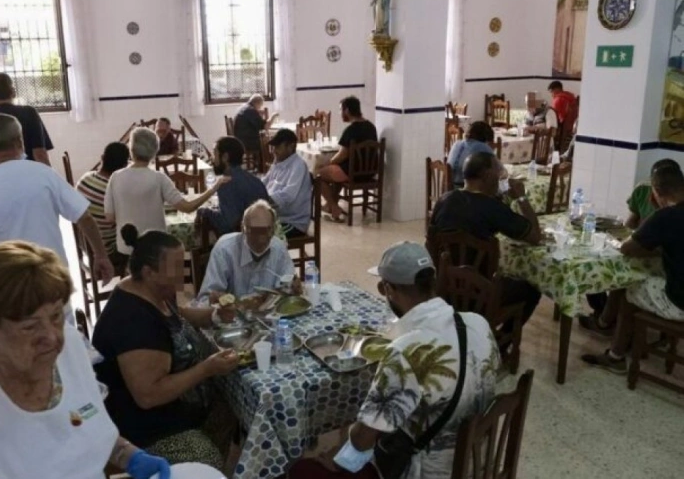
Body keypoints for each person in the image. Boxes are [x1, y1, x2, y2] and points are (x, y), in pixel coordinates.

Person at [0, 241, 171, 479]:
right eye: (29, 326)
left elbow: (83, 423)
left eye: (56, 316)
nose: (52, 337)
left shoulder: (72, 346)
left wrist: (127, 455)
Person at [300, 242, 498, 479]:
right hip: (479, 460)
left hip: (431, 472)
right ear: (432, 281)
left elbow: (361, 442)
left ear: (387, 289)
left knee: (302, 470)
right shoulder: (479, 323)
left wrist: (343, 446)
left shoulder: (407, 352)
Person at [92, 225, 240, 468]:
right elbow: (149, 396)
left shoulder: (149, 289)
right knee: (205, 456)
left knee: (231, 406)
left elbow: (179, 315)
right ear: (149, 272)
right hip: (146, 427)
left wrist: (214, 315)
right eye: (176, 267)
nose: (183, 274)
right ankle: (198, 468)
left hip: (178, 406)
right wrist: (206, 369)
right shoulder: (132, 322)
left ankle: (208, 470)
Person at [0, 113, 114, 291]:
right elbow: (85, 217)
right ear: (20, 141)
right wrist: (101, 256)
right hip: (51, 277)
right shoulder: (45, 175)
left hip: (5, 282)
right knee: (55, 309)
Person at [428, 152, 542, 357]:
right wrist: (521, 197)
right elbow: (535, 236)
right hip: (480, 294)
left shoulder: (444, 200)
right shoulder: (493, 208)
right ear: (488, 175)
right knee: (531, 289)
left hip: (444, 287)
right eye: (498, 173)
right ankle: (498, 345)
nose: (500, 178)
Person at [582, 165, 684, 373]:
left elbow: (627, 248)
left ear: (657, 192)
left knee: (630, 287)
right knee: (643, 279)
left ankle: (616, 356)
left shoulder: (667, 216)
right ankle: (606, 324)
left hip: (680, 302)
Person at [105, 128, 228, 256]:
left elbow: (110, 217)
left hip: (126, 247)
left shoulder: (115, 177)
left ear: (131, 149)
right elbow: (187, 207)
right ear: (154, 151)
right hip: (155, 248)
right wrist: (213, 188)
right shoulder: (158, 178)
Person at [197, 201, 302, 304]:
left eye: (266, 230)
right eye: (255, 231)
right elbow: (204, 300)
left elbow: (288, 287)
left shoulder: (278, 248)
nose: (261, 238)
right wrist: (215, 301)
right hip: (232, 313)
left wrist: (293, 289)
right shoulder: (224, 249)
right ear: (243, 229)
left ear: (273, 230)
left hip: (269, 313)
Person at [318, 96, 378, 222]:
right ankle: (329, 205)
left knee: (318, 175)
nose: (340, 113)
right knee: (335, 173)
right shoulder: (371, 127)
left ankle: (334, 207)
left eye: (341, 110)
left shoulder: (351, 130)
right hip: (370, 173)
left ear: (347, 110)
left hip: (352, 173)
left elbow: (342, 155)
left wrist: (329, 163)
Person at [77, 142, 132, 276]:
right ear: (124, 167)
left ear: (102, 158)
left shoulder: (84, 179)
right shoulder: (115, 191)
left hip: (84, 243)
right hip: (107, 251)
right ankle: (135, 281)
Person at [198, 137, 270, 236]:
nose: (212, 159)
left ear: (225, 157)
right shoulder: (256, 180)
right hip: (264, 237)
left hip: (244, 240)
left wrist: (205, 212)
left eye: (215, 154)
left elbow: (226, 224)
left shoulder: (226, 182)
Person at [263, 128, 313, 238]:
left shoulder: (298, 166)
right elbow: (264, 182)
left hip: (292, 222)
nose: (274, 151)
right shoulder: (278, 162)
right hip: (276, 217)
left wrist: (265, 199)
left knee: (257, 235)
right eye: (273, 147)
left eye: (277, 147)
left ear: (290, 147)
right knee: (247, 226)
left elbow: (288, 195)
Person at [446, 121, 495, 188]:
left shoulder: (457, 143)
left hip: (450, 187)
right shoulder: (483, 147)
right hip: (465, 188)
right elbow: (499, 171)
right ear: (486, 138)